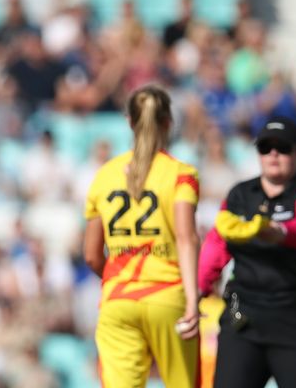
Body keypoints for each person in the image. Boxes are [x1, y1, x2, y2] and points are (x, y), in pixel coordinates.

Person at [199, 116, 296, 388]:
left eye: (282, 147)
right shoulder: (240, 195)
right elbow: (217, 244)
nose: (273, 154)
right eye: (265, 147)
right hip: (244, 316)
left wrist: (281, 232)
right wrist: (196, 293)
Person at [82, 85, 200, 387]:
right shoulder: (180, 173)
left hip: (118, 300)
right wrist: (191, 300)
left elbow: (92, 256)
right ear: (168, 123)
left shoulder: (104, 175)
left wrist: (116, 278)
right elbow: (187, 239)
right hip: (167, 294)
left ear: (128, 122)